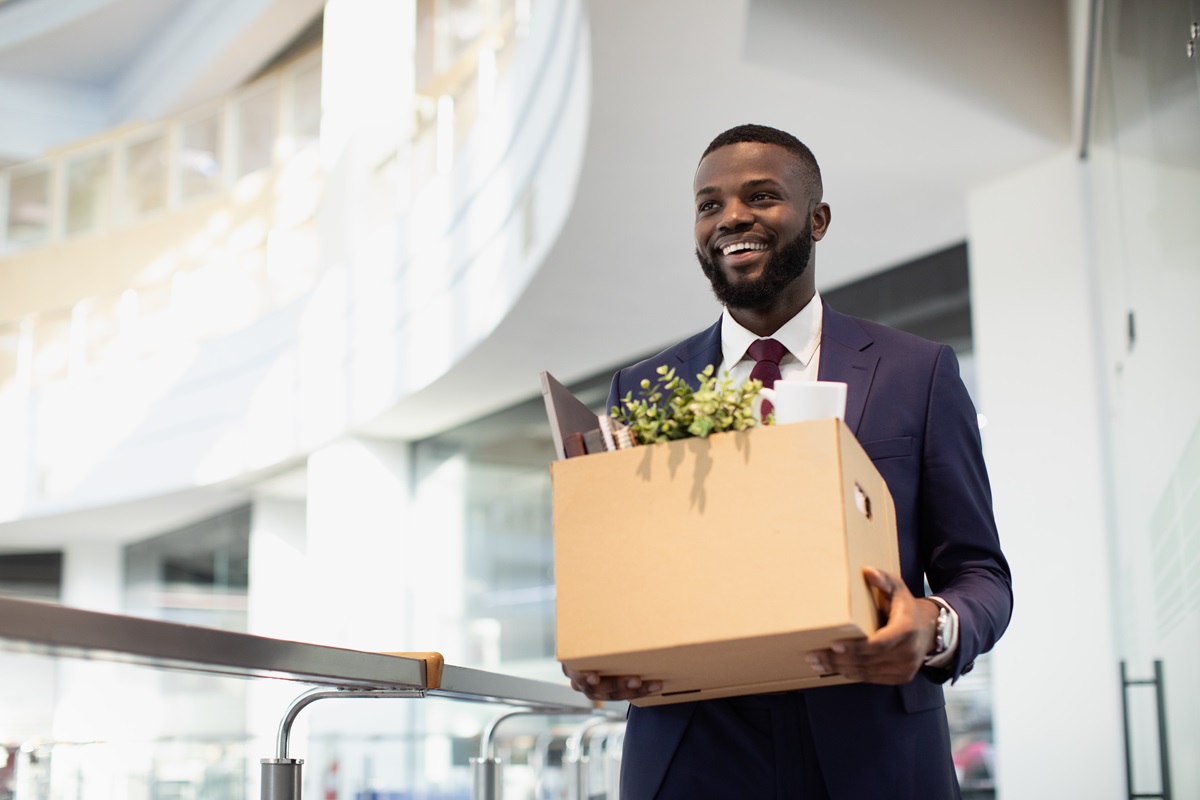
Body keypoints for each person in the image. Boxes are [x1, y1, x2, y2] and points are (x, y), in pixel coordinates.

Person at [560, 124, 1012, 799]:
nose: (731, 217)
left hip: (875, 750)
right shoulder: (640, 389)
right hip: (693, 753)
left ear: (817, 218)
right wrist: (602, 649)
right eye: (708, 204)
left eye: (762, 196)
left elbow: (980, 573)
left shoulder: (917, 372)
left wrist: (932, 625)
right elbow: (623, 567)